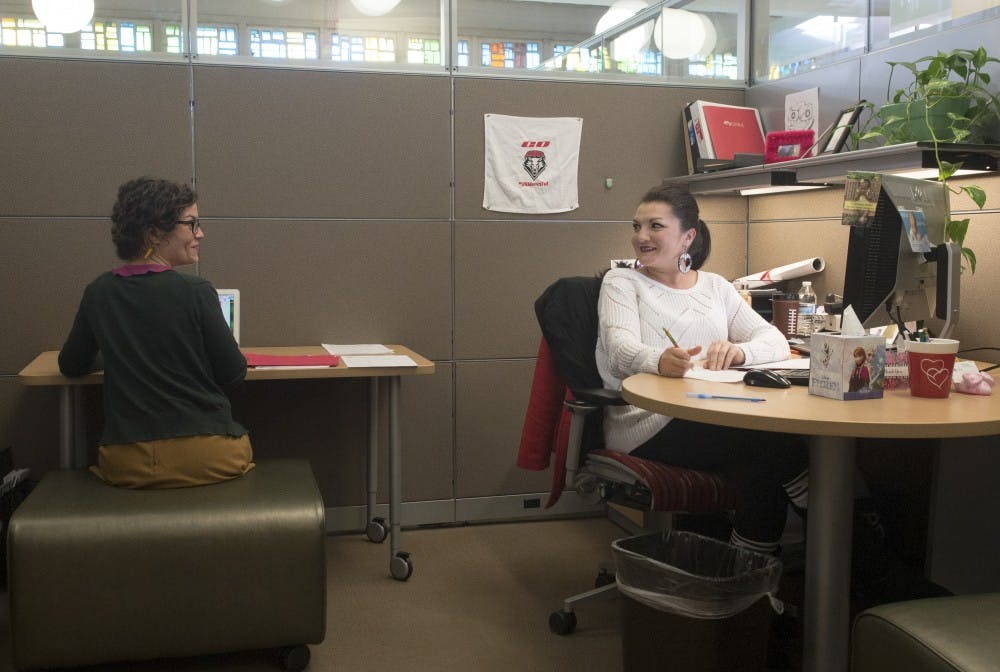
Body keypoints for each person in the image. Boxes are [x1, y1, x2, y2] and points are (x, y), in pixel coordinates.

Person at [595, 185, 809, 556]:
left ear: (687, 237)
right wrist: (658, 360)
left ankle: (745, 575)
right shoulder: (622, 282)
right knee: (771, 441)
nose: (640, 237)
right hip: (646, 422)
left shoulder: (716, 287)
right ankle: (833, 525)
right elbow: (618, 350)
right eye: (636, 227)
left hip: (709, 413)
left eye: (655, 227)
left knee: (758, 471)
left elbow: (775, 343)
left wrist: (738, 352)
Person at [58, 177, 254, 489]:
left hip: (126, 463)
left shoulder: (98, 292)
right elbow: (234, 373)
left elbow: (70, 365)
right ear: (153, 233)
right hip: (208, 457)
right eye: (191, 224)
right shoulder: (196, 291)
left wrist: (117, 354)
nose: (200, 233)